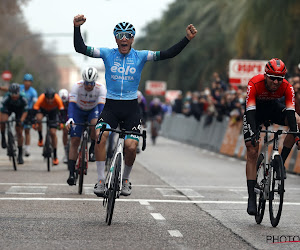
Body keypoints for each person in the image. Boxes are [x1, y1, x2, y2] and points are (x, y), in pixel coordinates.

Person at [73, 14, 197, 197]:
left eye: (128, 35)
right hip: (111, 107)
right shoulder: (107, 53)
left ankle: (125, 180)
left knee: (131, 147)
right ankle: (100, 180)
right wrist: (77, 28)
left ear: (132, 39)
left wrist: (186, 39)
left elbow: (168, 54)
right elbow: (80, 48)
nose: (124, 39)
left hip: (131, 108)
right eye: (120, 36)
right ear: (115, 39)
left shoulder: (141, 56)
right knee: (100, 135)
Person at [243, 58, 300, 216]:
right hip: (255, 113)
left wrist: (296, 136)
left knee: (298, 121)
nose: (276, 82)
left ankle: (279, 163)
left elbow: (290, 111)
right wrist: (254, 132)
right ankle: (251, 197)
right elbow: (250, 111)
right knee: (252, 151)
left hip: (274, 109)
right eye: (272, 78)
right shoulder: (254, 83)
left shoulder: (287, 87)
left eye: (279, 79)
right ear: (266, 75)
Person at [65, 67, 106, 186]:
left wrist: (100, 122)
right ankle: (71, 173)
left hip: (92, 110)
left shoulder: (101, 88)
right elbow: (71, 105)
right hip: (78, 111)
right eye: (87, 83)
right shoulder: (76, 86)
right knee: (74, 141)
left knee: (95, 124)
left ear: (95, 81)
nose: (89, 86)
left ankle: (92, 147)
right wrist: (70, 118)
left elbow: (101, 108)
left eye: (91, 83)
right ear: (83, 81)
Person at [33, 87, 65, 165]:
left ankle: (55, 155)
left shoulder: (57, 99)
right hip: (42, 109)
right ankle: (40, 138)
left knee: (53, 133)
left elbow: (62, 112)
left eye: (51, 99)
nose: (50, 100)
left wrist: (61, 123)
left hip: (53, 112)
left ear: (54, 97)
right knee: (39, 119)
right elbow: (34, 110)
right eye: (48, 99)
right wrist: (34, 122)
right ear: (45, 97)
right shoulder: (41, 98)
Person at [0, 83, 28, 164]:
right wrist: (2, 121)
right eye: (12, 94)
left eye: (16, 94)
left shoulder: (23, 98)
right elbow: (1, 111)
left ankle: (19, 154)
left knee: (19, 131)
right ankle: (3, 137)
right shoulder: (7, 97)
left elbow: (25, 112)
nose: (14, 96)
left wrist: (21, 120)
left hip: (19, 110)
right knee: (3, 121)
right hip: (8, 108)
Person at [20, 73, 38, 157]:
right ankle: (20, 144)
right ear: (23, 81)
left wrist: (34, 115)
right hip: (20, 111)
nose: (27, 83)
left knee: (27, 130)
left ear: (31, 83)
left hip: (29, 112)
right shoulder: (20, 88)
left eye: (29, 81)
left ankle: (27, 148)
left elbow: (35, 104)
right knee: (19, 130)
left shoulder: (33, 92)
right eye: (26, 81)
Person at [58, 89, 69, 164]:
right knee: (64, 131)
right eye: (63, 103)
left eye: (66, 103)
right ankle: (66, 152)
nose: (64, 104)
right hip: (62, 118)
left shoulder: (71, 102)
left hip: (69, 117)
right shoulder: (58, 102)